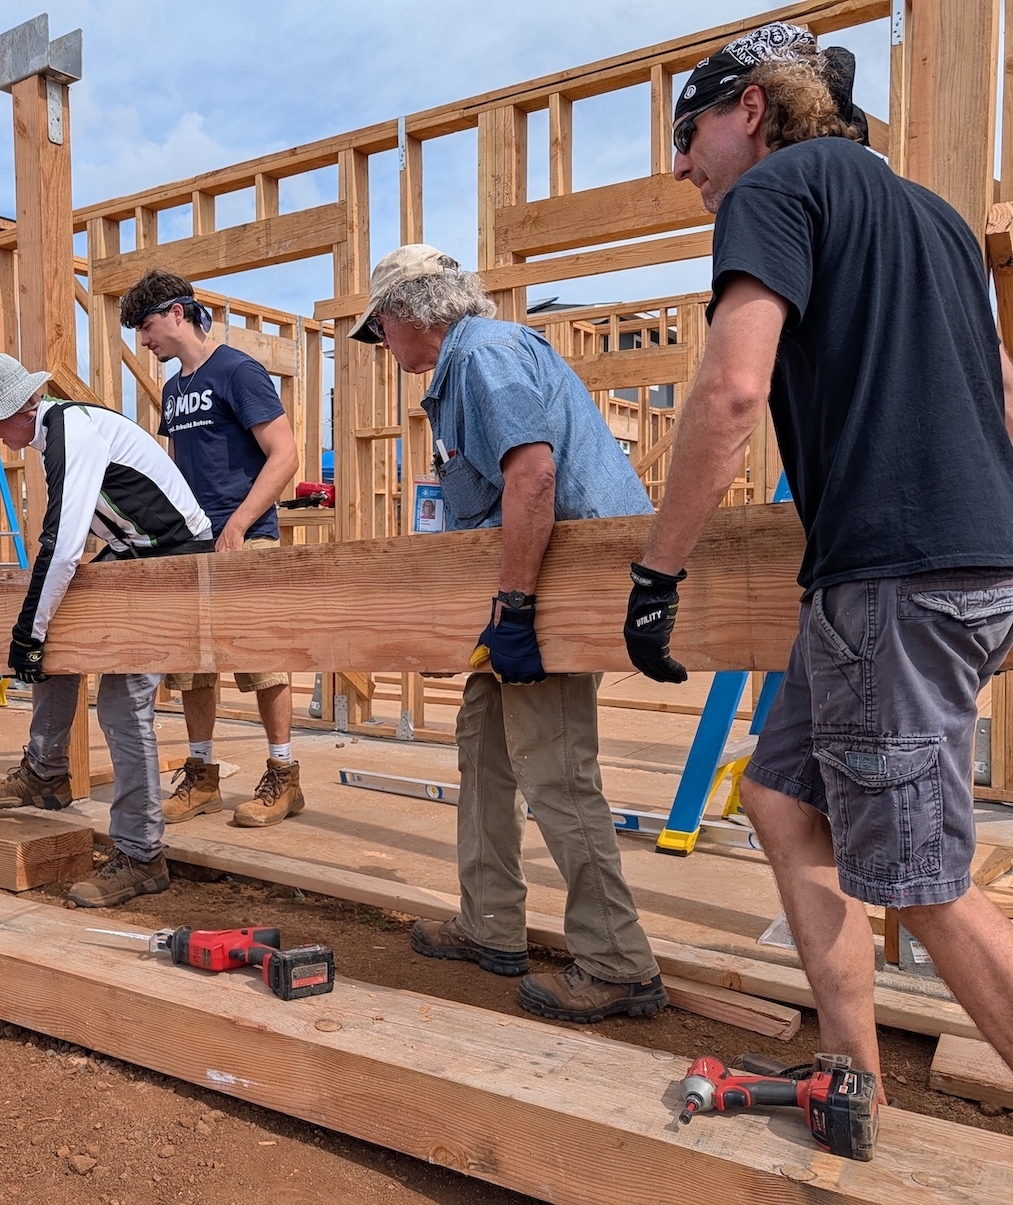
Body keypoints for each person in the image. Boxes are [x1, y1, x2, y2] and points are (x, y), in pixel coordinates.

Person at [627, 21, 1013, 1086]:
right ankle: (848, 1070)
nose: (679, 165)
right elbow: (1004, 392)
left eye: (687, 132)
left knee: (923, 877)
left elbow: (731, 388)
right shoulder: (933, 219)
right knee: (782, 797)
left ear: (749, 111)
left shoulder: (773, 191)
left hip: (889, 579)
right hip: (959, 571)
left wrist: (657, 571)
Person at [352, 243, 668, 1023]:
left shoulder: (486, 357)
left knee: (555, 766)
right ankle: (490, 923)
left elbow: (533, 477)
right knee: (484, 742)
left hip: (562, 581)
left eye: (381, 329)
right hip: (526, 586)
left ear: (407, 315)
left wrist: (519, 609)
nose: (383, 346)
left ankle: (618, 960)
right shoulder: (466, 368)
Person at [0, 353, 214, 906]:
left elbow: (64, 544)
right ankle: (46, 773)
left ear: (14, 408)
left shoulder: (70, 429)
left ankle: (143, 856)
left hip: (175, 561)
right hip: (133, 554)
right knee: (56, 647)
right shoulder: (54, 434)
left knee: (123, 704)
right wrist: (38, 634)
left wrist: (27, 632)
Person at [119, 270, 304, 827]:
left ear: (178, 314)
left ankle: (283, 774)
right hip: (190, 543)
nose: (144, 341)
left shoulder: (238, 371)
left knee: (262, 662)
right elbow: (175, 470)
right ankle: (202, 776)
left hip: (245, 541)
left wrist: (240, 526)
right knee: (192, 669)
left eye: (147, 327)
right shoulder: (174, 390)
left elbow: (286, 454)